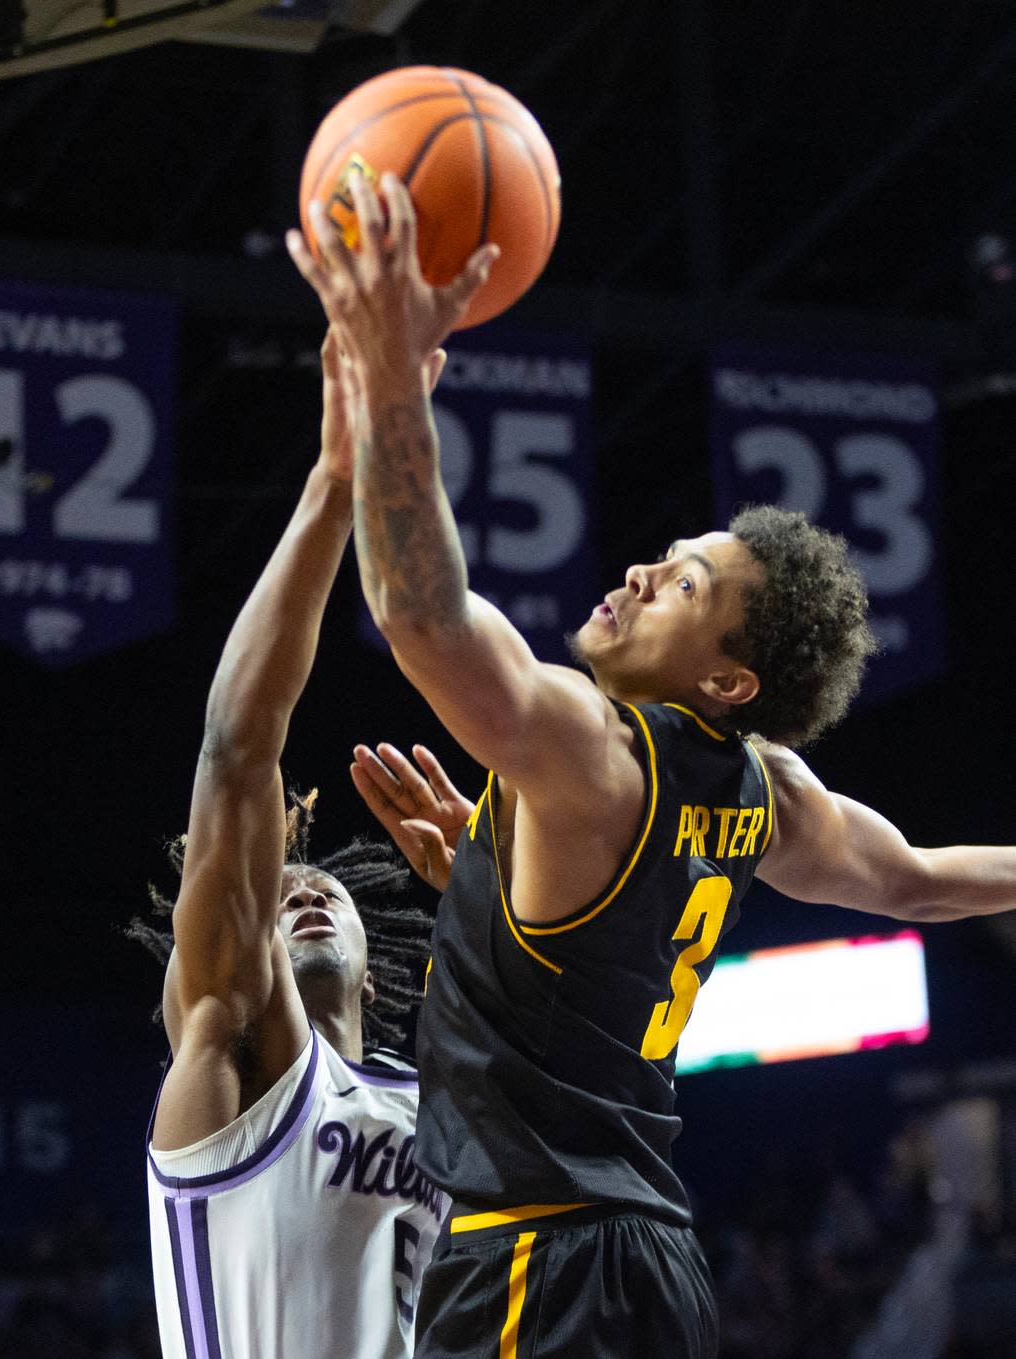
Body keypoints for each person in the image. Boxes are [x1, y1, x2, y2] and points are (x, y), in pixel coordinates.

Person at [287, 173, 1016, 1359]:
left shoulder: (594, 746)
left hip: (539, 1254)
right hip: (643, 1256)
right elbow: (924, 882)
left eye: (684, 587)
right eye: (670, 555)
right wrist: (483, 867)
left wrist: (385, 381)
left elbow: (421, 615)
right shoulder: (768, 792)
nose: (640, 574)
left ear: (729, 679)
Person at [131, 329, 448, 1359]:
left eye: (327, 890)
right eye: (278, 893)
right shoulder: (226, 1040)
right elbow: (236, 750)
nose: (302, 895)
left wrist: (486, 897)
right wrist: (334, 482)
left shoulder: (437, 1100)